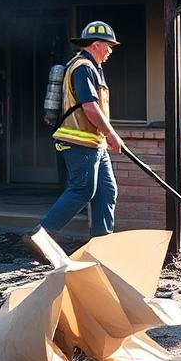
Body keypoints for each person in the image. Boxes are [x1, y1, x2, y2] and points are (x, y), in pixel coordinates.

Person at [36, 20, 125, 239]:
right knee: (82, 190)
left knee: (106, 192)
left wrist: (105, 137)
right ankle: (41, 237)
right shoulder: (83, 68)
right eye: (108, 45)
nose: (110, 50)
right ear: (95, 44)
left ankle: (101, 244)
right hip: (78, 142)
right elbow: (90, 107)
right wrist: (111, 133)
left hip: (95, 144)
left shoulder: (95, 68)